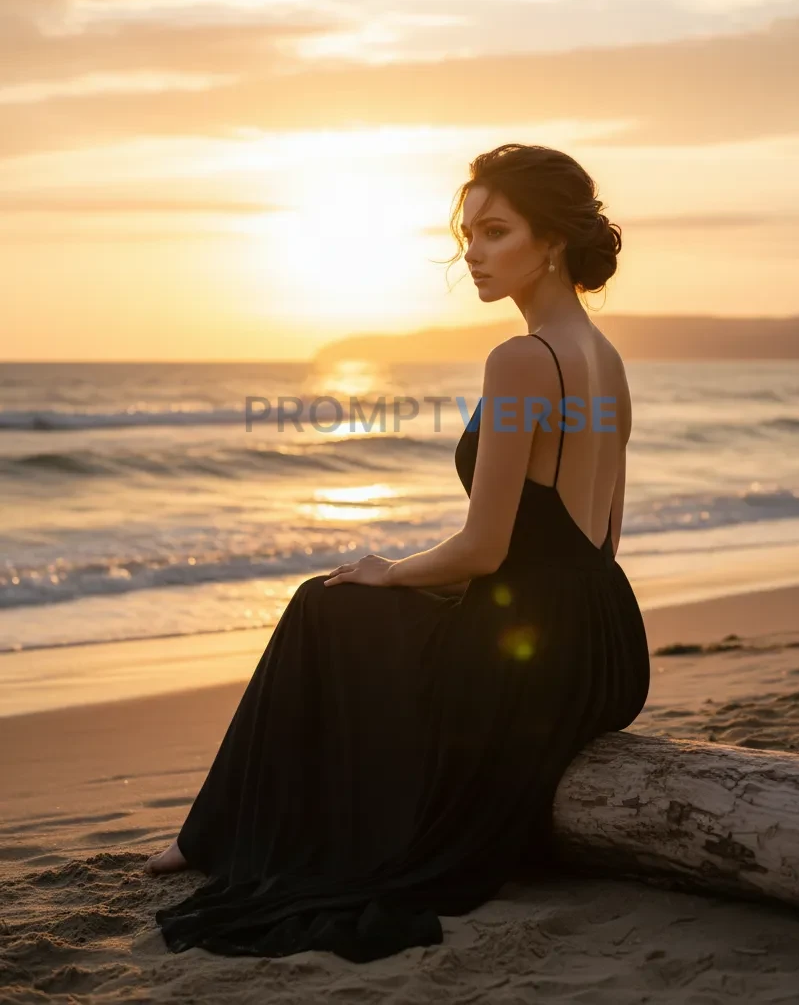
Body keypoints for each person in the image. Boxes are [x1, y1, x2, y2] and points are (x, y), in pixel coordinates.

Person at [146, 142, 651, 963]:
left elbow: (484, 549)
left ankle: (207, 839)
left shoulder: (522, 360)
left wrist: (393, 571)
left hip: (526, 655)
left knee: (325, 603)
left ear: (552, 241)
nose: (474, 255)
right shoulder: (610, 361)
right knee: (366, 607)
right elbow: (602, 539)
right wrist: (452, 588)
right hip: (605, 647)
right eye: (467, 236)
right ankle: (216, 832)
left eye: (495, 232)